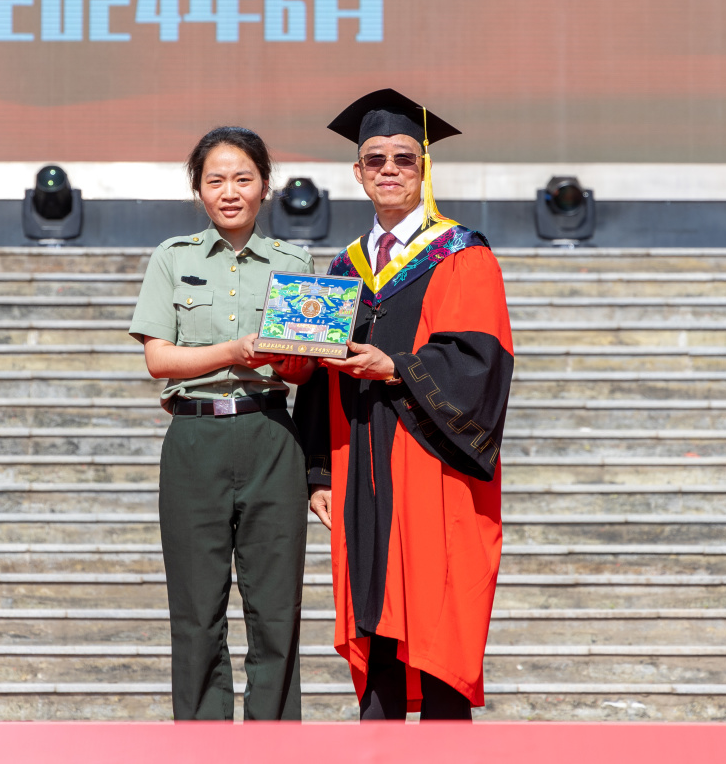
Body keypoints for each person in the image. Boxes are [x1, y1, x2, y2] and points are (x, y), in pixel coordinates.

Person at [294, 89, 514, 720]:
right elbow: (318, 378)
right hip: (360, 471)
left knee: (438, 621)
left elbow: (480, 363)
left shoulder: (464, 255)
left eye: (403, 158)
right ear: (357, 172)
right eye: (375, 159)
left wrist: (397, 367)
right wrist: (318, 473)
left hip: (434, 467)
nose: (388, 169)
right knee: (377, 625)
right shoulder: (342, 270)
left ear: (423, 168)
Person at [128, 126, 315, 721]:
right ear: (199, 189)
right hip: (196, 438)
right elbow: (160, 359)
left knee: (276, 612)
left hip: (270, 436)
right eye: (215, 180)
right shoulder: (173, 257)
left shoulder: (295, 263)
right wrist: (234, 352)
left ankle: (273, 748)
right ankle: (202, 747)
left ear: (265, 186)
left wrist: (296, 357)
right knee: (196, 612)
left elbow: (304, 371)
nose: (230, 192)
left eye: (243, 179)